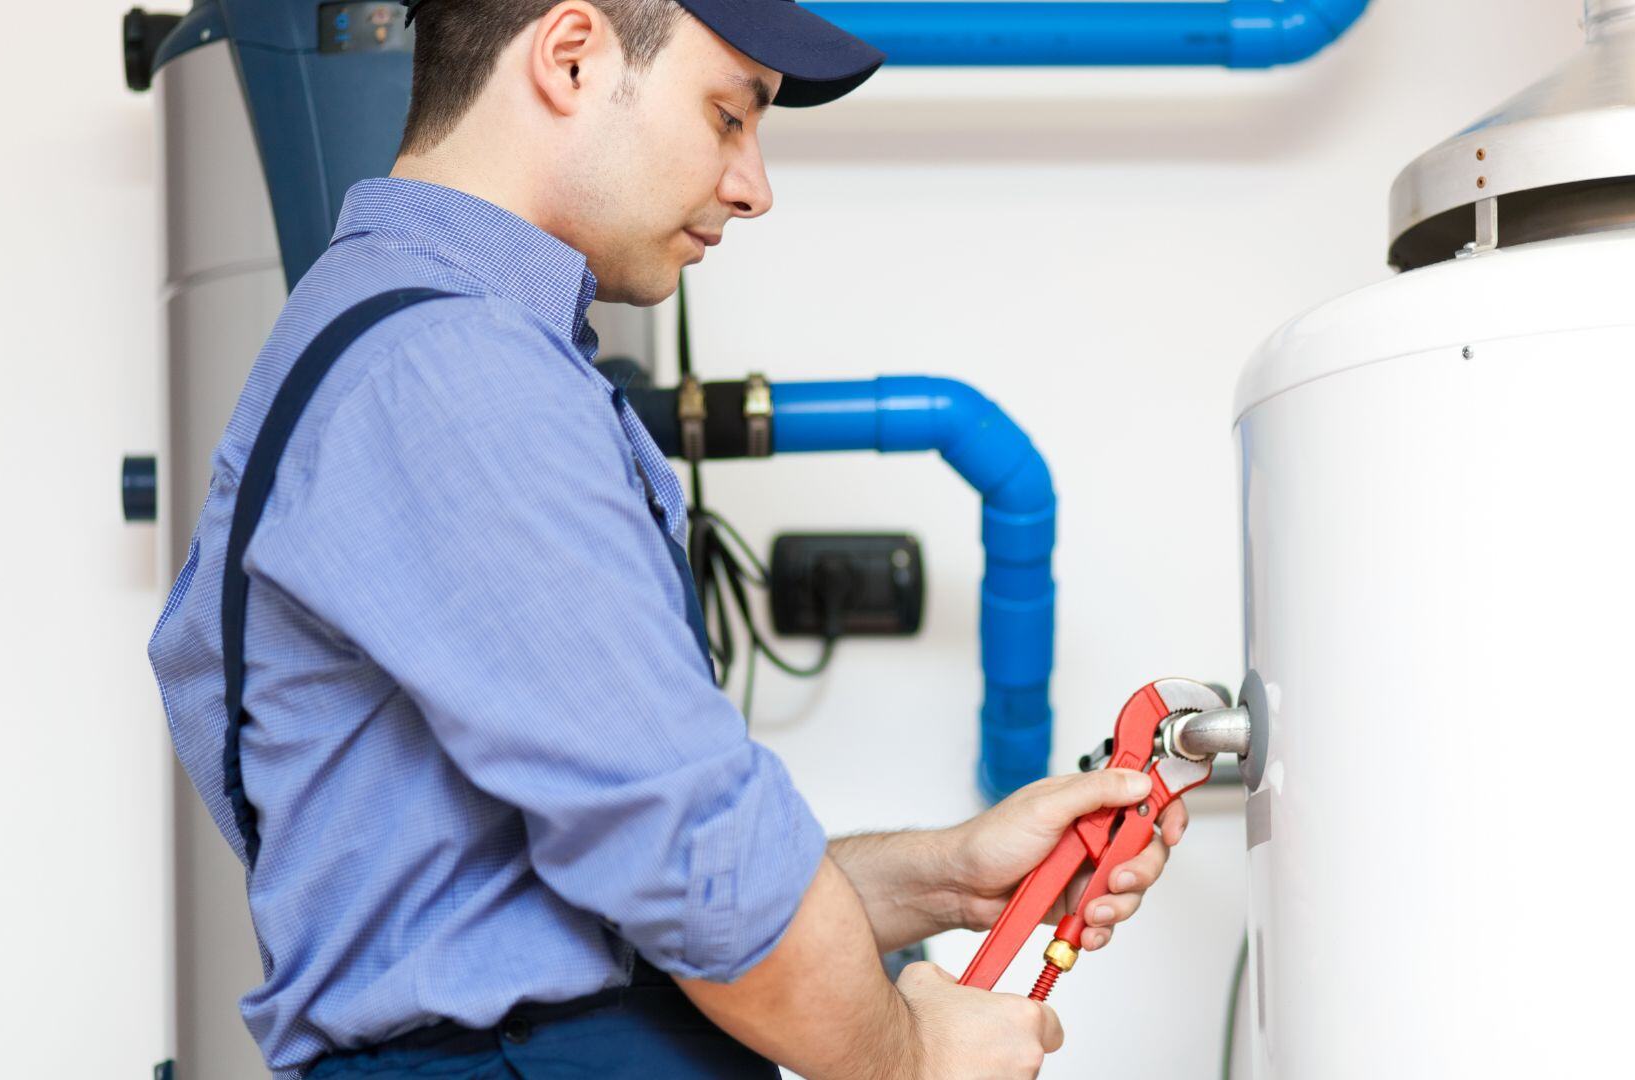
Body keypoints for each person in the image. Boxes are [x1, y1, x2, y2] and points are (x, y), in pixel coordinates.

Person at [148, 0, 1188, 1075]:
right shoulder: (453, 370)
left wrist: (945, 876)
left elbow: (562, 907)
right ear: (571, 57)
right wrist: (911, 1057)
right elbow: (690, 852)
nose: (755, 185)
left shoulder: (426, 345)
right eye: (729, 116)